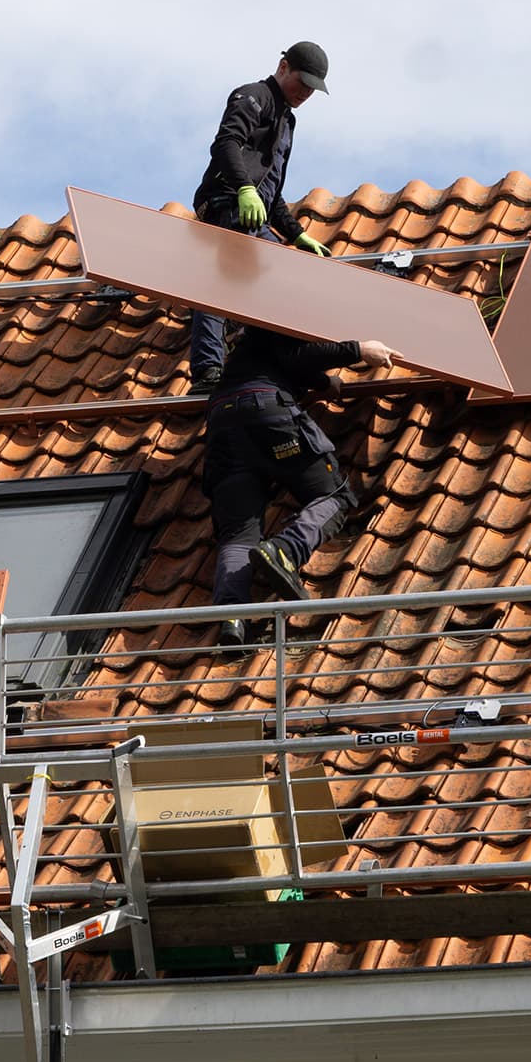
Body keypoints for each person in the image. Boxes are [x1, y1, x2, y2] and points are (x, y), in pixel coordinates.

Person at [205, 326, 397, 644]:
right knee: (335, 496)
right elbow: (296, 353)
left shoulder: (250, 336)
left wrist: (322, 382)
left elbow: (281, 358)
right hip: (267, 411)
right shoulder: (282, 307)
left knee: (238, 534)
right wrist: (358, 350)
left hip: (221, 422)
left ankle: (231, 618)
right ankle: (285, 551)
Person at [187, 41, 334, 390]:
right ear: (284, 67)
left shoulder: (287, 121)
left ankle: (275, 360)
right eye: (302, 83)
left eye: (312, 90)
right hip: (226, 203)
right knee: (219, 283)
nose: (305, 94)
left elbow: (272, 191)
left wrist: (296, 234)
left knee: (280, 280)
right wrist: (243, 188)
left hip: (254, 213)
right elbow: (226, 143)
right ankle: (208, 370)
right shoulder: (254, 95)